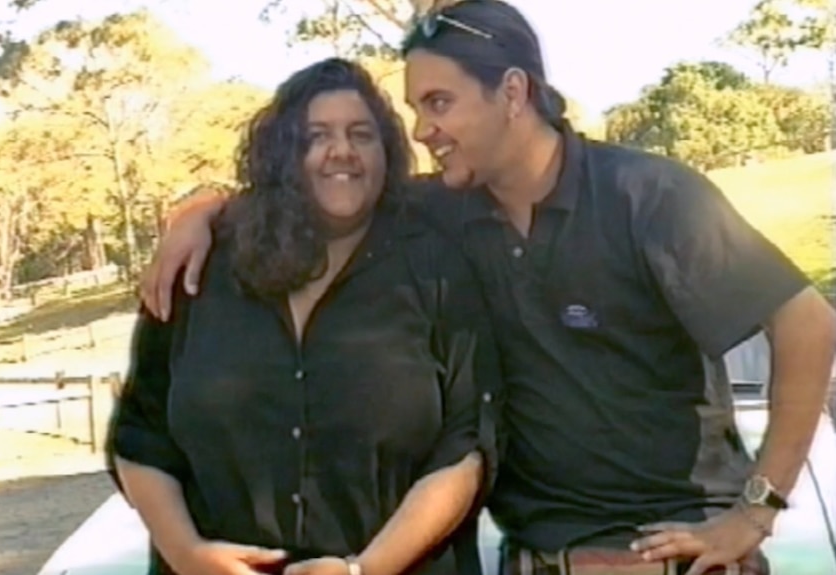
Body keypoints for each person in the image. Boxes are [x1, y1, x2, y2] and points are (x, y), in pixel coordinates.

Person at [136, 1, 836, 574]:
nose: (423, 130)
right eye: (414, 108)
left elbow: (808, 323)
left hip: (672, 556)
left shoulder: (647, 196)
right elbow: (326, 188)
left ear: (512, 91)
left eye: (438, 102)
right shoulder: (442, 208)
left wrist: (755, 510)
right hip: (534, 559)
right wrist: (202, 207)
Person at [106, 57, 503, 575]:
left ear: (387, 152)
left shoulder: (436, 264)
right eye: (316, 136)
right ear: (282, 156)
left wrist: (366, 569)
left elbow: (469, 442)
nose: (342, 150)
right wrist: (185, 554)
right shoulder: (202, 268)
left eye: (362, 134)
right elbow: (141, 432)